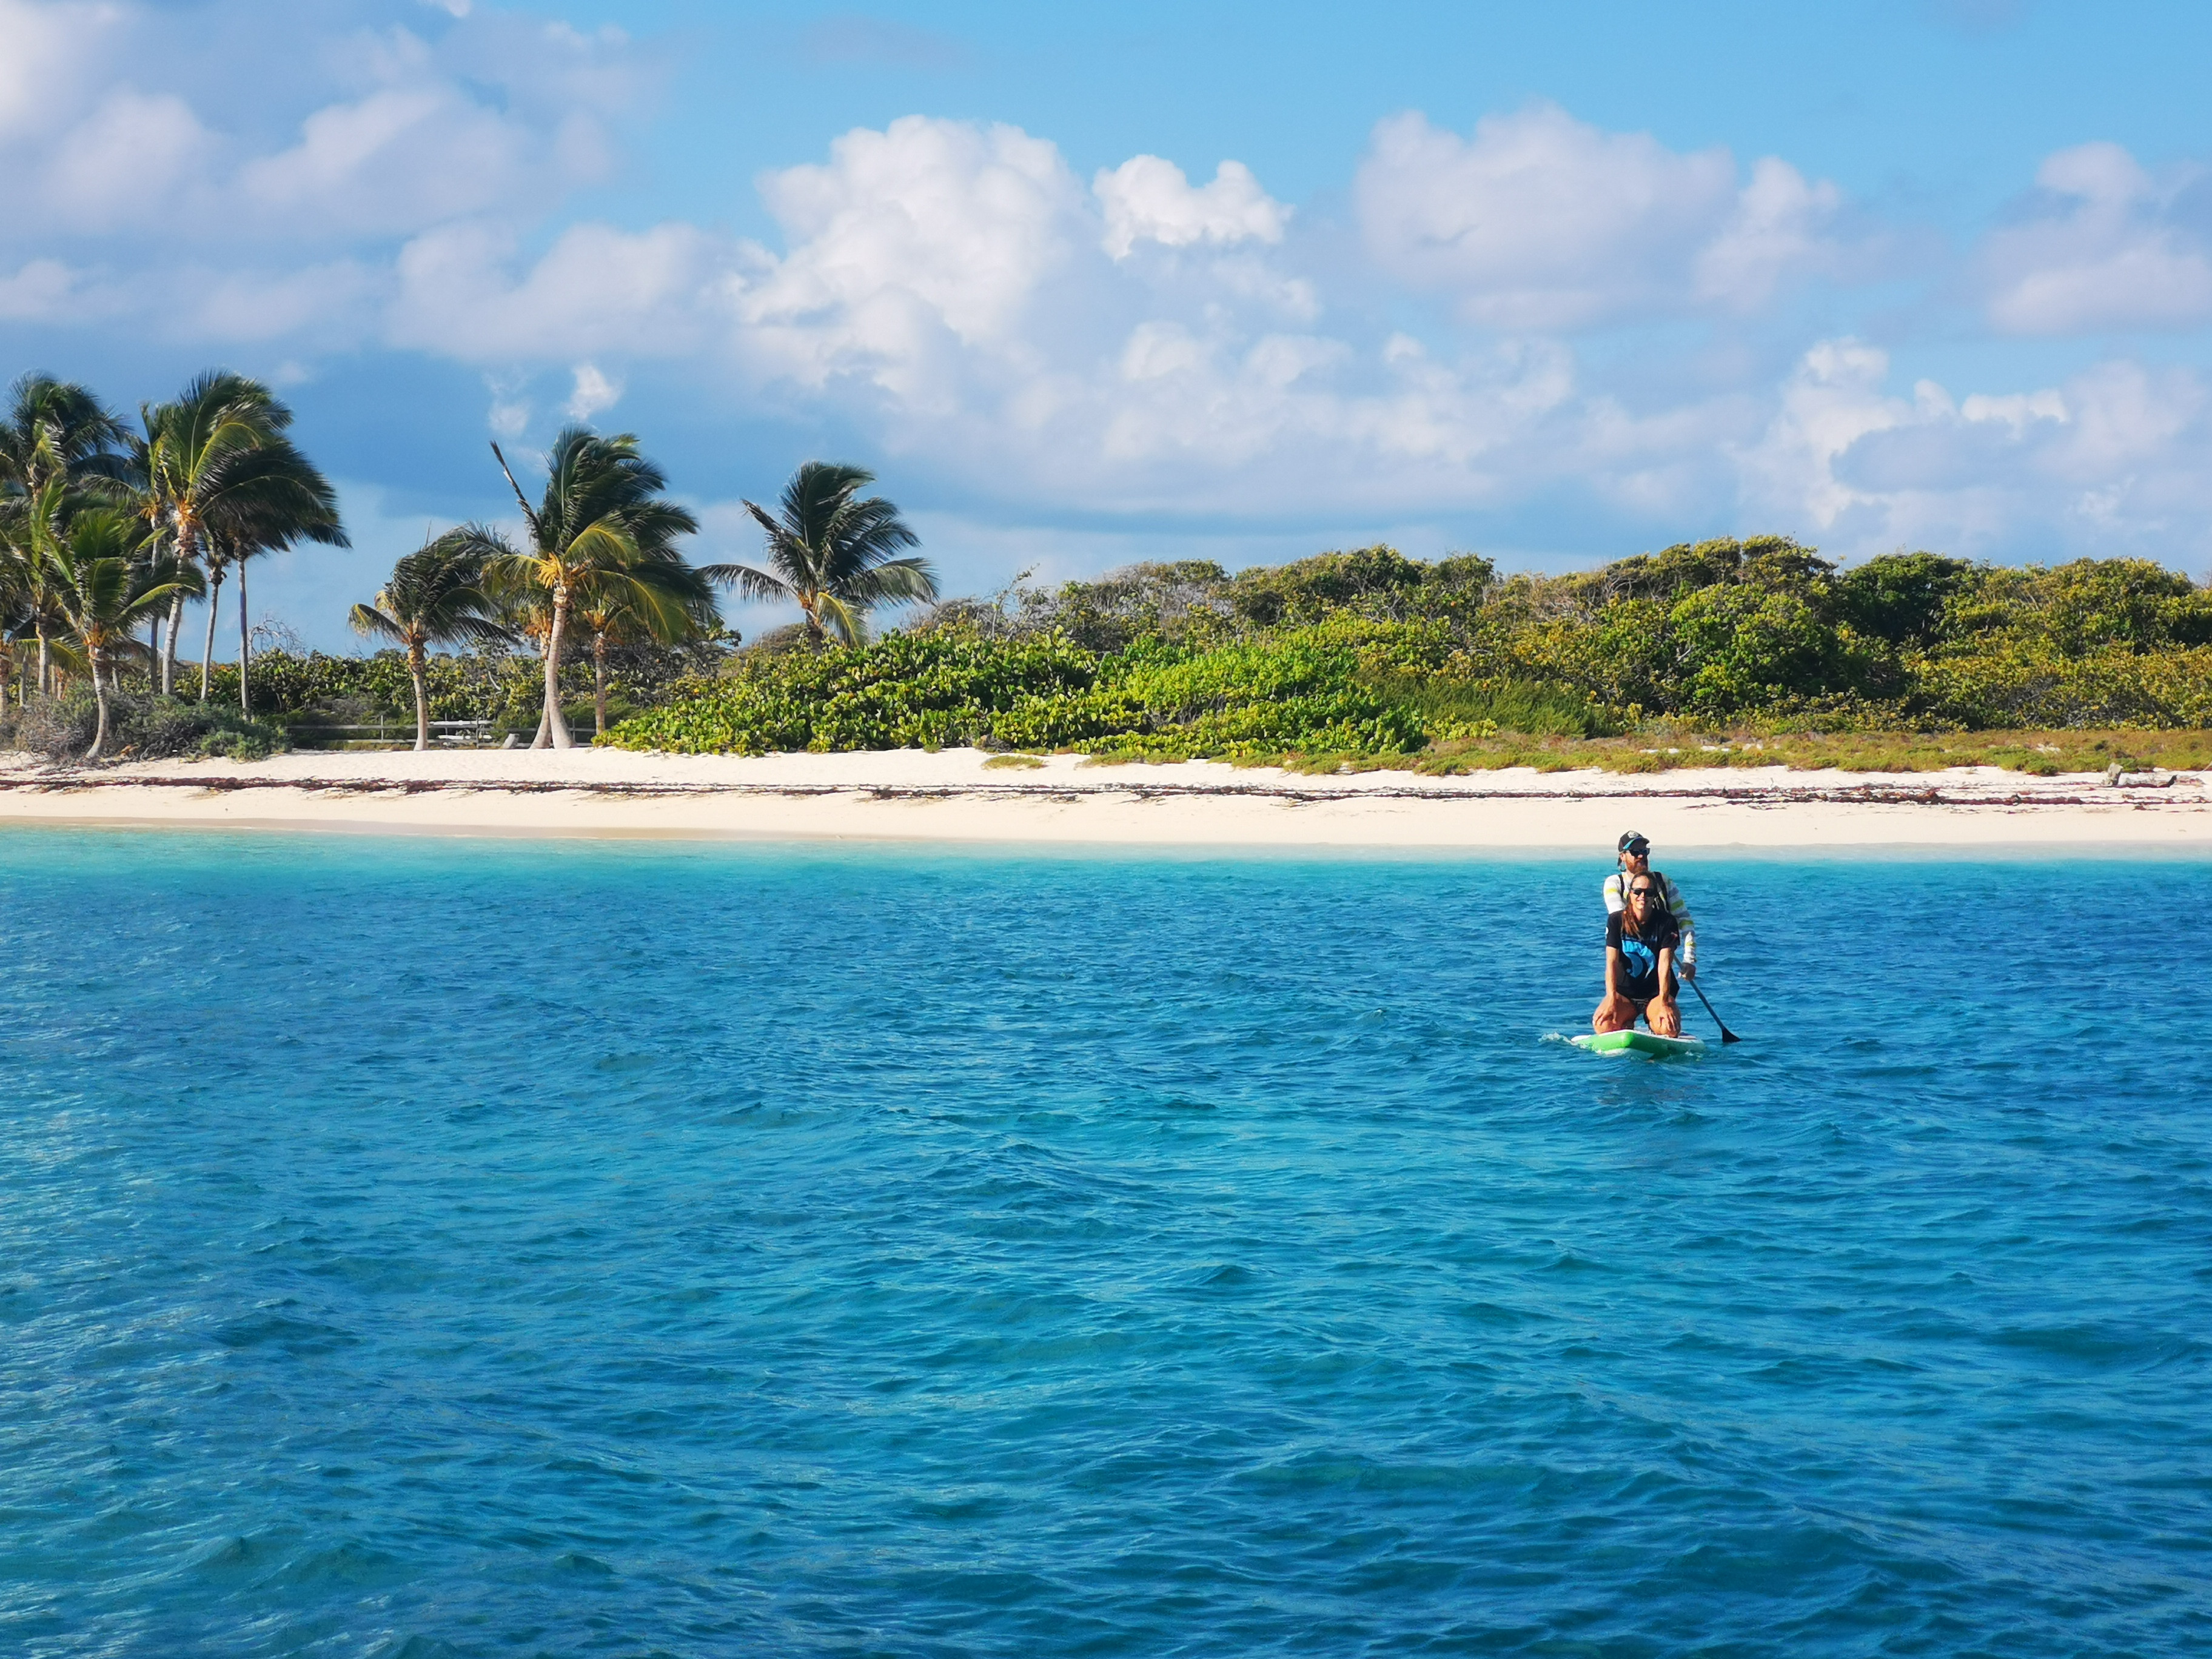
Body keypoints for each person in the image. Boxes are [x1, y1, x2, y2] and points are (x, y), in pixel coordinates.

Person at [1595, 875, 1683, 1036]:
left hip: (1656, 994)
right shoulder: (1616, 921)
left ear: (1654, 897)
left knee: (1669, 1029)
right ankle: (1627, 1022)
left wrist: (1664, 1001)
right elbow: (1612, 963)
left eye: (1649, 893)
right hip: (1625, 994)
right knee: (1603, 1025)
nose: (1643, 896)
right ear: (1630, 894)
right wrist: (1611, 998)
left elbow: (1665, 965)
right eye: (1638, 891)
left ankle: (1653, 1023)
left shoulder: (1666, 922)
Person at [1603, 831, 1696, 980]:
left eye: (1644, 851)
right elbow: (1620, 921)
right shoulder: (1615, 884)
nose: (1641, 856)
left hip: (1662, 969)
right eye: (1635, 852)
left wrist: (1689, 959)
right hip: (1629, 971)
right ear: (1622, 856)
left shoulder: (1663, 882)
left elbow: (1685, 921)